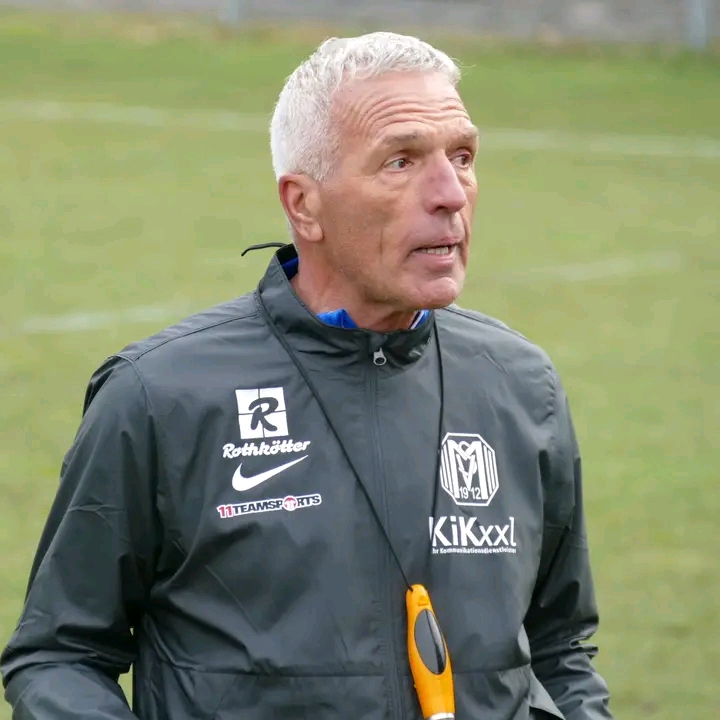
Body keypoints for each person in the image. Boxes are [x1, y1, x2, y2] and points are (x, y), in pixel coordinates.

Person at [1, 32, 613, 720]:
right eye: (401, 161)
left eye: (463, 157)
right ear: (304, 205)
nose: (450, 194)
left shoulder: (521, 384)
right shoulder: (160, 397)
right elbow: (60, 657)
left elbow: (560, 648)